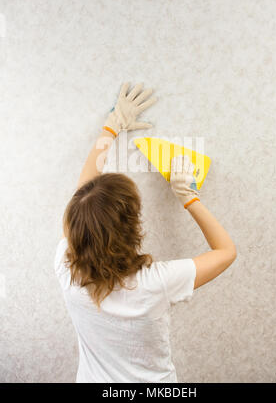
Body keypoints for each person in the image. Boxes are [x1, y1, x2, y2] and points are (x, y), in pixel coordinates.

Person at [54, 82, 237, 383]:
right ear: (134, 229)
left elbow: (82, 197)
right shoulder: (156, 283)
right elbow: (226, 252)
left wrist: (110, 129)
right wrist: (189, 198)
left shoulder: (66, 266)